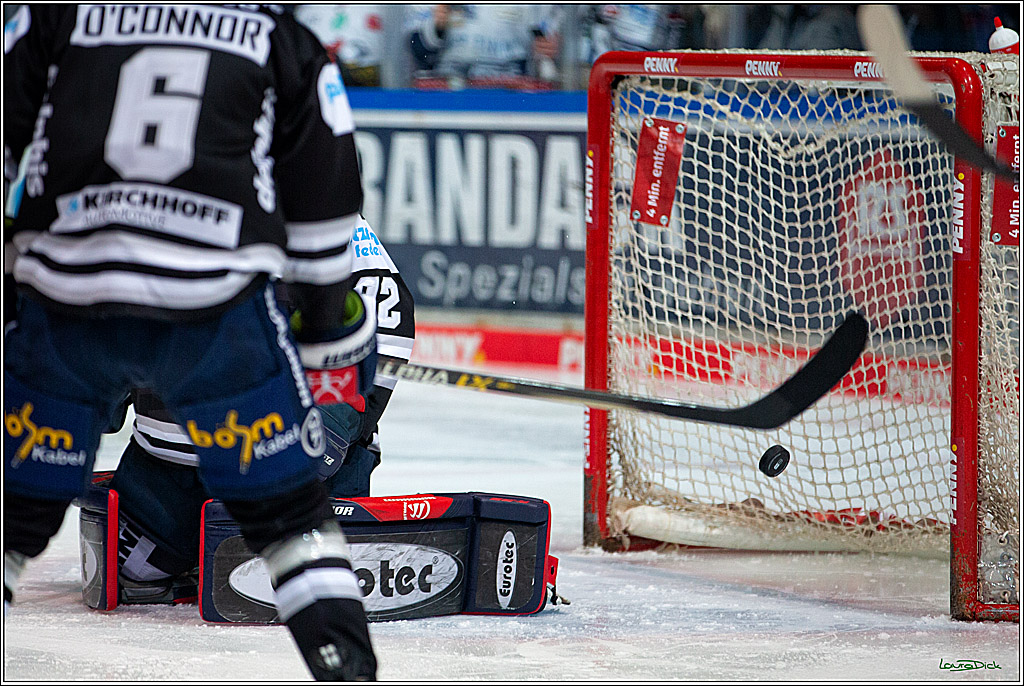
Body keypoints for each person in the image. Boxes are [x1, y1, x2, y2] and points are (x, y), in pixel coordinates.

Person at [4, 5, 376, 680]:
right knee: (293, 523)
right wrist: (324, 331)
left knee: (13, 517)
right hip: (213, 319)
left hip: (67, 304)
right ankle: (346, 668)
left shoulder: (56, 16)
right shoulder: (281, 39)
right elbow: (326, 211)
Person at [109, 217, 416, 596]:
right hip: (168, 477)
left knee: (314, 583)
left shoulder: (314, 205)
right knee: (138, 574)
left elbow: (386, 310)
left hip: (291, 474)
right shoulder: (147, 200)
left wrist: (334, 419)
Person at [408, 4, 562, 84]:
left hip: (510, 94)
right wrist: (437, 26)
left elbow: (553, 42)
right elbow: (415, 52)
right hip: (448, 93)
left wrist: (553, 49)